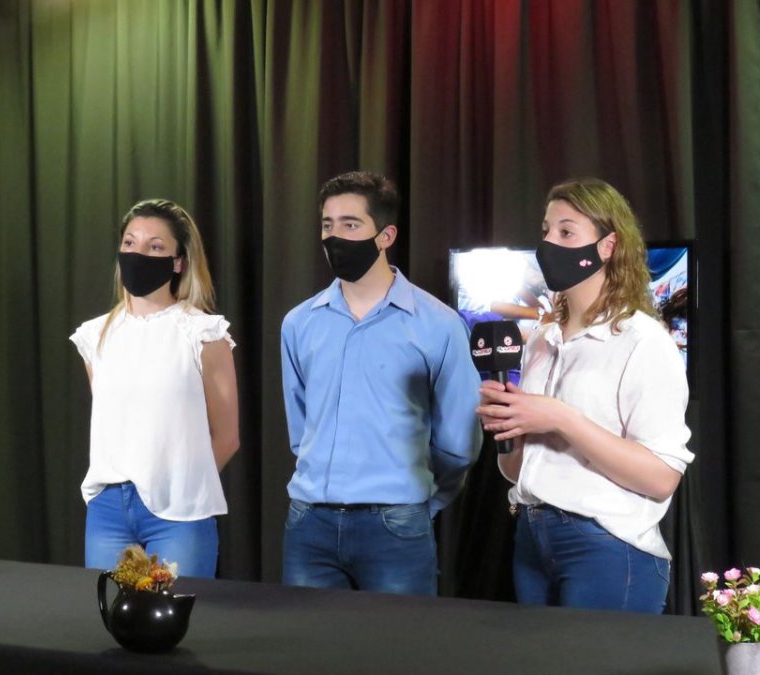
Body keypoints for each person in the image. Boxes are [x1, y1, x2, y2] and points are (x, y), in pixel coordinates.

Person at [476, 179, 693, 613]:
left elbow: (661, 477)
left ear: (608, 246)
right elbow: (516, 470)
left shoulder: (643, 341)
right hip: (532, 538)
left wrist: (560, 417)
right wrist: (509, 425)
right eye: (546, 231)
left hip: (607, 547)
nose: (549, 244)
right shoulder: (540, 340)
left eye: (566, 232)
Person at [280, 170, 482, 596]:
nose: (335, 236)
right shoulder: (299, 324)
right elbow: (300, 430)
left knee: (397, 655)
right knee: (307, 657)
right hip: (309, 522)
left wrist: (415, 500)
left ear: (386, 235)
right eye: (327, 225)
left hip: (395, 523)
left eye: (350, 225)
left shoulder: (438, 325)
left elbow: (459, 441)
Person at [70, 199, 239, 577]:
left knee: (176, 623)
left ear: (178, 261)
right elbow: (117, 426)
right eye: (130, 243)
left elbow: (227, 436)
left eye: (155, 246)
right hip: (109, 509)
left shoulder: (202, 333)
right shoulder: (95, 336)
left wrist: (182, 484)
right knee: (107, 620)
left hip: (179, 512)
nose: (138, 253)